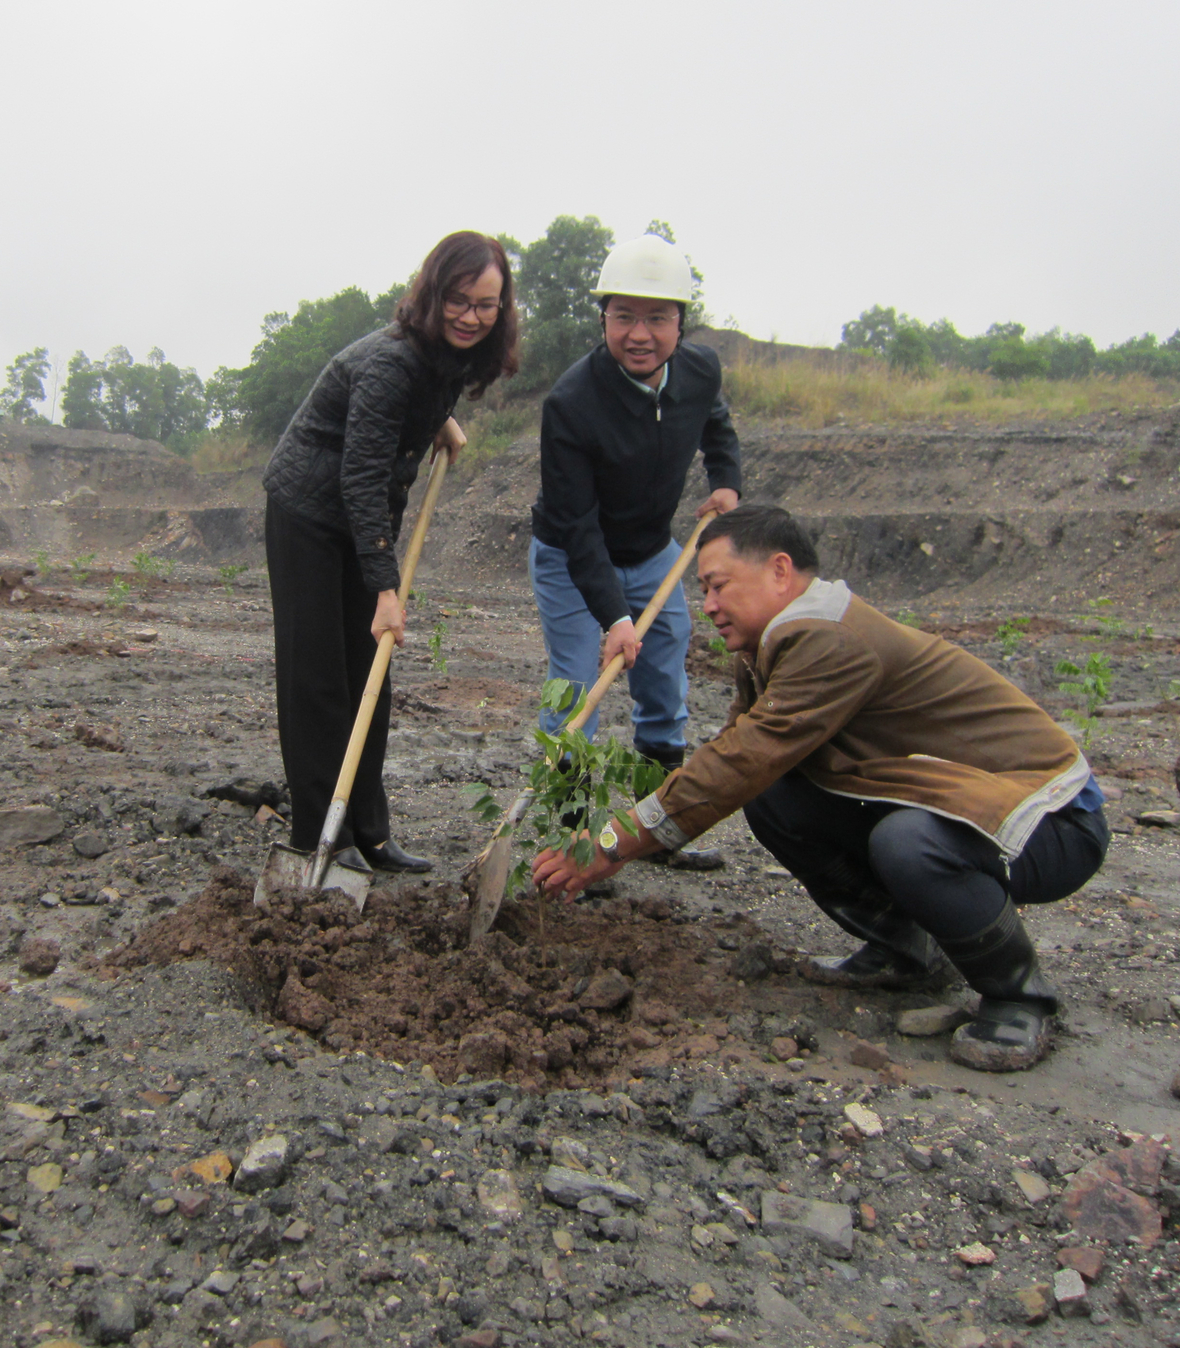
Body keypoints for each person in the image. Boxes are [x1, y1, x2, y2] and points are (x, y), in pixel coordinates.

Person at [531, 505, 1109, 1072]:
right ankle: (904, 948)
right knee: (776, 795)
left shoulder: (827, 639)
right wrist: (627, 835)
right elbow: (738, 756)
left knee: (907, 843)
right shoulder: (771, 643)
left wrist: (610, 842)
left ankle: (1018, 995)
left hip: (1048, 819)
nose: (706, 606)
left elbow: (742, 758)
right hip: (952, 802)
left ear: (780, 571)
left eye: (717, 586)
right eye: (702, 591)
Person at [262, 231, 519, 876]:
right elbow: (361, 475)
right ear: (433, 295)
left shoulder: (447, 358)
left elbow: (400, 415)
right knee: (319, 677)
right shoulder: (392, 361)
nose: (470, 316)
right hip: (308, 513)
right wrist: (386, 589)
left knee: (369, 676)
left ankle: (370, 833)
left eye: (485, 305)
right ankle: (319, 835)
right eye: (458, 301)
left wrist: (437, 418)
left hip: (357, 512)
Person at [529, 234, 741, 780]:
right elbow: (576, 525)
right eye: (623, 317)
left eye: (658, 318)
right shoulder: (571, 404)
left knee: (666, 680)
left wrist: (726, 482)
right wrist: (617, 618)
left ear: (680, 324)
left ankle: (656, 822)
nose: (639, 335)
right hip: (570, 557)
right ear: (603, 320)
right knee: (577, 690)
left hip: (652, 553)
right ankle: (568, 838)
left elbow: (716, 425)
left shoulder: (700, 371)